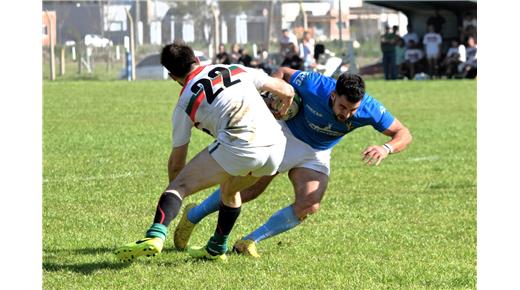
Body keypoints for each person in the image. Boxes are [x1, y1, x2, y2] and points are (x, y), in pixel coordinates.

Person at [174, 68, 413, 258]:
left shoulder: (369, 109)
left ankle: (248, 242)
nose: (347, 115)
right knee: (249, 190)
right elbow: (283, 73)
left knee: (309, 204)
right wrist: (270, 96)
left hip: (317, 151)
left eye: (353, 110)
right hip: (283, 134)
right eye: (342, 107)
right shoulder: (315, 84)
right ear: (333, 95)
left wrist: (386, 147)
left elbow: (403, 133)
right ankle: (194, 215)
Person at [114, 42, 295, 262]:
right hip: (277, 148)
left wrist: (178, 190)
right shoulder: (234, 68)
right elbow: (286, 90)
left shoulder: (184, 103)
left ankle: (154, 236)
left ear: (172, 77)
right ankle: (216, 248)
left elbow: (176, 163)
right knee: (229, 190)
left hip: (241, 142)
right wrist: (284, 108)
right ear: (197, 60)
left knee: (178, 187)